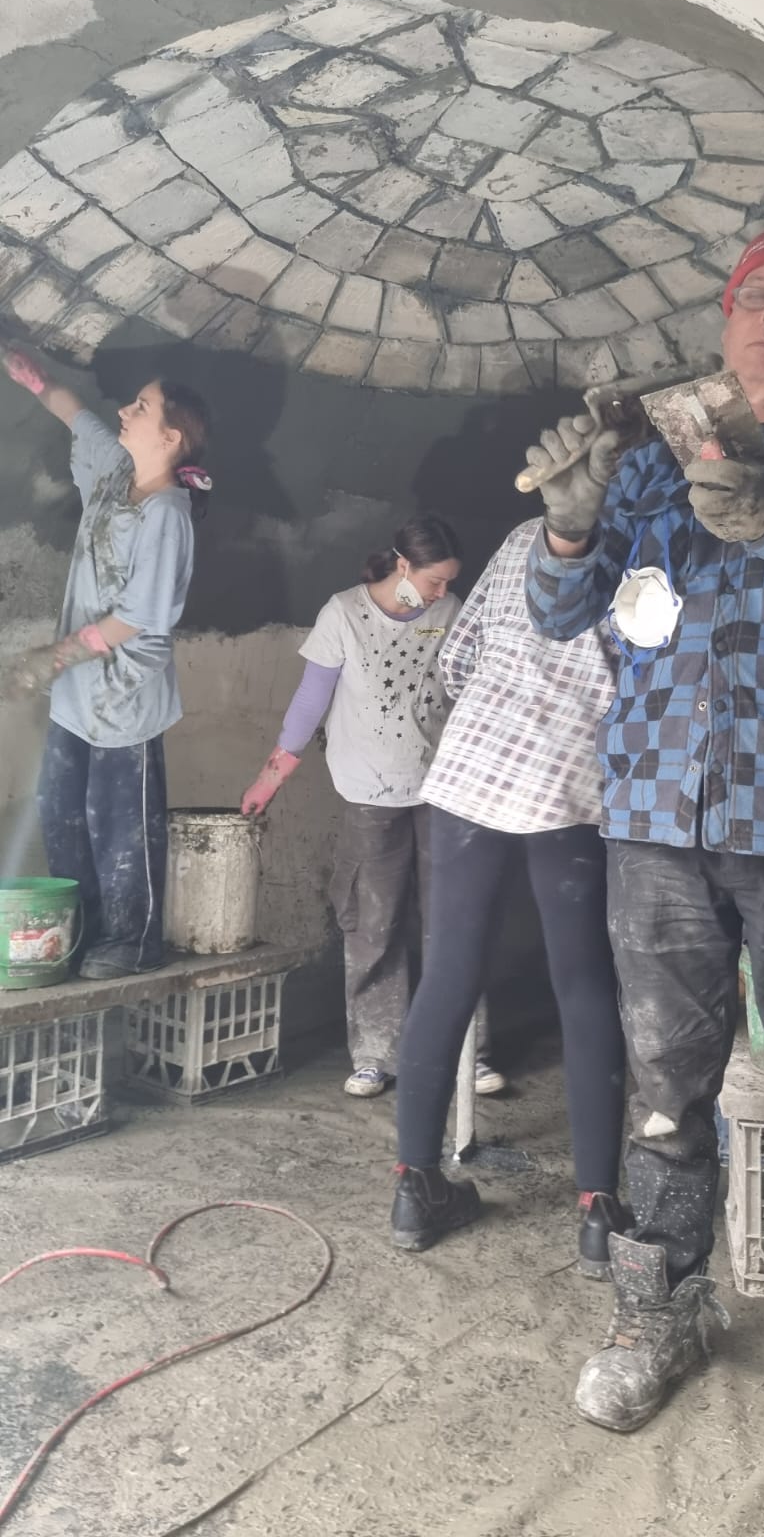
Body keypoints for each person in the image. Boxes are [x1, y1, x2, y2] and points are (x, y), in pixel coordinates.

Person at [523, 214, 764, 1463]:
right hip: (657, 817)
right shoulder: (648, 461)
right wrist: (568, 526)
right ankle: (662, 1304)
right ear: (726, 318)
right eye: (753, 295)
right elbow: (562, 615)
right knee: (666, 1083)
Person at [389, 516, 628, 1266]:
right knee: (584, 984)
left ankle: (415, 1186)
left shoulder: (530, 531)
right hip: (572, 776)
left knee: (449, 973)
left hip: (473, 768)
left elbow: (458, 658)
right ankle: (597, 1210)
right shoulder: (649, 540)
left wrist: (510, 706)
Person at [241, 516, 501, 1098]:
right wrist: (270, 777)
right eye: (433, 581)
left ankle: (468, 1051)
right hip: (367, 789)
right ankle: (376, 1053)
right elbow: (311, 699)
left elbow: (470, 690)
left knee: (453, 918)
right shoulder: (344, 613)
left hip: (442, 789)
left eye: (448, 582)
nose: (441, 592)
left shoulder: (449, 611)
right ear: (403, 565)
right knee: (373, 923)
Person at [1, 348, 211, 980]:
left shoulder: (168, 514)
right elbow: (74, 412)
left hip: (124, 697)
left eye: (141, 407)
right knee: (63, 814)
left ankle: (133, 940)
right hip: (75, 695)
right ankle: (83, 936)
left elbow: (137, 618)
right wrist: (24, 369)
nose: (126, 410)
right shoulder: (116, 468)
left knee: (119, 828)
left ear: (170, 438)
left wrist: (55, 656)